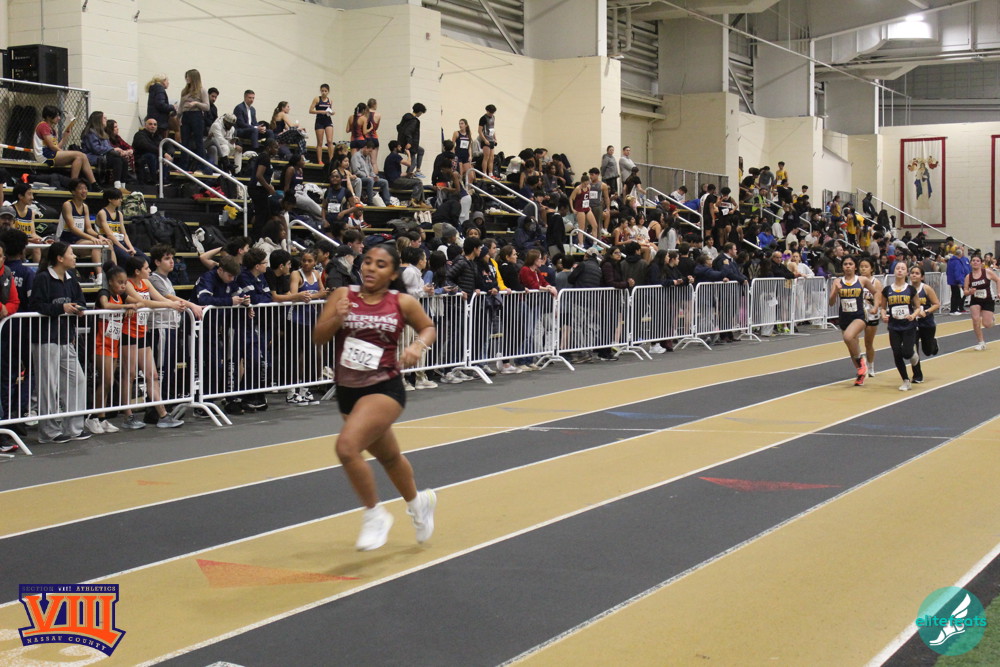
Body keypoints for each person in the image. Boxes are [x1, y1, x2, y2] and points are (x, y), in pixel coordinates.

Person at [312, 244, 438, 551]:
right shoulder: (342, 295)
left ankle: (374, 515)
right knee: (389, 457)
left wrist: (416, 347)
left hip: (384, 387)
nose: (371, 268)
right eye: (367, 262)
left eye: (380, 265)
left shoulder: (401, 301)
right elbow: (318, 337)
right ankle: (418, 503)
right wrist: (337, 318)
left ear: (393, 274)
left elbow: (428, 327)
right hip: (348, 390)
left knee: (346, 448)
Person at [28, 242, 90, 444]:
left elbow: (80, 300)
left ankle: (74, 427)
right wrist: (61, 308)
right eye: (71, 253)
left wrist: (79, 309)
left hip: (65, 338)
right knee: (48, 386)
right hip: (45, 339)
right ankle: (49, 431)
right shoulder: (43, 278)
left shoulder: (71, 279)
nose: (75, 256)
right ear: (60, 258)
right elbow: (36, 305)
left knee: (77, 380)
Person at [119, 256, 186, 429]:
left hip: (143, 332)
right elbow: (143, 302)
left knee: (153, 375)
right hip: (128, 333)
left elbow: (159, 298)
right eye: (146, 268)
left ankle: (162, 415)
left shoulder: (146, 283)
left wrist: (175, 303)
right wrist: (171, 305)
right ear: (137, 271)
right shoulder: (128, 284)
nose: (149, 270)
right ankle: (128, 415)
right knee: (130, 375)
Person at [86, 262, 135, 435]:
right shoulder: (104, 293)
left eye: (125, 283)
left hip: (113, 344)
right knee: (106, 380)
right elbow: (105, 305)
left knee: (108, 382)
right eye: (120, 282)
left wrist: (132, 306)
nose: (123, 286)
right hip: (100, 343)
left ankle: (102, 417)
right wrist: (126, 306)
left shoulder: (122, 297)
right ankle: (93, 417)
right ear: (111, 282)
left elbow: (138, 302)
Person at [828, 257, 878, 386]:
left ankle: (862, 362)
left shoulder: (862, 280)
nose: (848, 266)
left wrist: (876, 307)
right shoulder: (837, 281)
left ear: (855, 267)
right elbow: (831, 302)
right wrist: (836, 291)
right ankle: (860, 373)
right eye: (845, 264)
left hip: (859, 316)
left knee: (848, 337)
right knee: (851, 348)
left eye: (850, 264)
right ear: (842, 267)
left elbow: (876, 292)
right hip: (844, 317)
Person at [877, 260, 925, 391]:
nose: (899, 270)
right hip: (894, 326)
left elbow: (918, 307)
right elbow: (883, 307)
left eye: (902, 269)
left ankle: (913, 355)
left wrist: (913, 315)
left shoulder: (911, 289)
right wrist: (883, 315)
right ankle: (905, 380)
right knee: (897, 353)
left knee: (907, 353)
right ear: (894, 271)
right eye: (897, 268)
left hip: (908, 326)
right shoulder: (887, 290)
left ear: (906, 273)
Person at [33, 106, 97, 188]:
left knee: (81, 157)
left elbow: (56, 146)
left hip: (51, 153)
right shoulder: (43, 126)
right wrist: (63, 152)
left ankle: (89, 184)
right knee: (79, 154)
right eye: (57, 116)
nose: (59, 118)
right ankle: (75, 184)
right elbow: (52, 146)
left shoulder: (52, 129)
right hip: (44, 155)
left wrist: (65, 137)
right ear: (48, 117)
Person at [57, 178, 109, 279]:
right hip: (66, 240)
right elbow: (72, 228)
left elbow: (88, 229)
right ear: (73, 191)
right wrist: (92, 238)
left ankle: (110, 274)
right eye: (80, 188)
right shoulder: (67, 205)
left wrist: (99, 236)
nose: (84, 191)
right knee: (96, 245)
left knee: (108, 243)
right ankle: (99, 276)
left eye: (85, 188)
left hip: (79, 240)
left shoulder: (85, 207)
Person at [963, 254, 1000, 350]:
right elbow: (965, 291)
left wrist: (999, 292)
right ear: (970, 263)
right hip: (975, 300)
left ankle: (991, 319)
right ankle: (981, 342)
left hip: (988, 300)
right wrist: (969, 292)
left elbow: (998, 280)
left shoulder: (987, 272)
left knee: (987, 324)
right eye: (973, 260)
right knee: (975, 319)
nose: (975, 262)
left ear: (981, 263)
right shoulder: (968, 277)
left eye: (977, 261)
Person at [95, 188, 139, 265]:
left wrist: (131, 247)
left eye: (121, 198)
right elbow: (109, 235)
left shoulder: (119, 214)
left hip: (121, 242)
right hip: (111, 243)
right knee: (127, 258)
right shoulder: (102, 213)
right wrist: (125, 249)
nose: (121, 200)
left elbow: (124, 234)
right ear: (110, 199)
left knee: (145, 258)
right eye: (118, 198)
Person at [857, 257, 882, 378]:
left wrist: (871, 300)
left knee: (868, 343)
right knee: (854, 341)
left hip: (871, 314)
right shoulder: (856, 281)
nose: (863, 269)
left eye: (866, 267)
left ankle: (871, 366)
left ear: (872, 269)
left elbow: (880, 301)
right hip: (858, 314)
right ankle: (860, 366)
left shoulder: (875, 282)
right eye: (861, 266)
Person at [910, 264, 940, 363]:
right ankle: (917, 369)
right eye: (912, 273)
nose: (914, 275)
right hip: (913, 323)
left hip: (926, 322)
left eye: (917, 273)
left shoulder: (926, 288)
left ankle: (933, 343)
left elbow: (936, 304)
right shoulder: (906, 289)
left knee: (928, 351)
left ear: (922, 277)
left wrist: (926, 312)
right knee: (913, 349)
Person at [10, 184, 43, 263]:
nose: (32, 197)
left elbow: (33, 233)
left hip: (28, 242)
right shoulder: (11, 210)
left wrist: (44, 240)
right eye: (29, 194)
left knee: (49, 247)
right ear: (20, 196)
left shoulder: (31, 212)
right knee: (33, 248)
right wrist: (31, 240)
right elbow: (12, 235)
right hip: (14, 243)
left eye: (32, 194)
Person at [396, 103, 426, 178]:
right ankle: (408, 176)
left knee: (421, 150)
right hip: (410, 143)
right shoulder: (414, 121)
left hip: (403, 142)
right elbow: (408, 131)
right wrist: (409, 142)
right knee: (413, 162)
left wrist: (400, 142)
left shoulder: (405, 117)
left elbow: (399, 128)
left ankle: (417, 170)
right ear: (419, 112)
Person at [309, 84, 336, 165]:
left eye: (325, 91)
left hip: (328, 120)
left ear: (328, 91)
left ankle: (331, 159)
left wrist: (332, 112)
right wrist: (321, 111)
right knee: (320, 142)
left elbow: (329, 111)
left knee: (330, 140)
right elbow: (310, 110)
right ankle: (320, 160)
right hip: (319, 121)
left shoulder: (330, 100)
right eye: (322, 91)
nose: (324, 92)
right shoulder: (317, 99)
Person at [145, 74, 175, 138]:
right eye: (167, 81)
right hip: (160, 121)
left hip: (154, 118)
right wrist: (172, 107)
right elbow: (161, 105)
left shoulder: (153, 88)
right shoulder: (160, 89)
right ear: (163, 81)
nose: (168, 83)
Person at [478, 104, 497, 178]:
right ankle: (484, 173)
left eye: (493, 113)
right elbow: (480, 131)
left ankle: (490, 173)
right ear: (487, 111)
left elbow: (493, 128)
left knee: (492, 158)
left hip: (491, 140)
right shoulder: (483, 118)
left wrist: (495, 138)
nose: (491, 114)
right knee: (486, 157)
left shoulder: (493, 117)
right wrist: (484, 140)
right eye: (490, 112)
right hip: (486, 140)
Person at [365, 98, 382, 169]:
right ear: (374, 105)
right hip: (374, 138)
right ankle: (376, 175)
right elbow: (376, 128)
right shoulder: (378, 115)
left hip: (366, 138)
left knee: (366, 161)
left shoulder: (364, 114)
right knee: (374, 162)